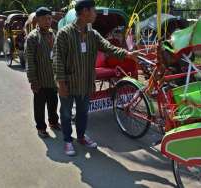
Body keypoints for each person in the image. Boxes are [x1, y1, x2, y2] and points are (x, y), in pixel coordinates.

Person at [53, 0, 140, 156]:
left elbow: (108, 47)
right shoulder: (64, 33)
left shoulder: (93, 34)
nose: (95, 14)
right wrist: (61, 83)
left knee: (83, 113)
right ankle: (67, 140)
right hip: (68, 83)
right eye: (93, 11)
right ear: (85, 12)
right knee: (66, 113)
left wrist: (127, 54)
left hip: (86, 82)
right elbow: (58, 60)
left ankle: (81, 137)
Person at [25, 7, 61, 138]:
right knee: (39, 106)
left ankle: (53, 122)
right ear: (38, 21)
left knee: (54, 103)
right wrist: (33, 81)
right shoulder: (32, 37)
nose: (48, 21)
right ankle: (41, 127)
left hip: (53, 79)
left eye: (50, 18)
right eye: (45, 19)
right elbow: (30, 61)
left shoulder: (54, 34)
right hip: (40, 80)